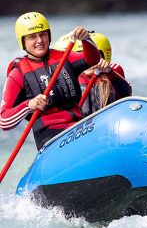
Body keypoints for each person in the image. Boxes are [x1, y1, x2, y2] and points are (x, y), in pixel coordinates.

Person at [0, 11, 106, 150]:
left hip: (79, 125)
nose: (40, 40)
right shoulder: (17, 74)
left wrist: (86, 39)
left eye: (43, 34)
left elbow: (93, 59)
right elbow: (4, 122)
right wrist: (29, 105)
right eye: (33, 37)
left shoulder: (64, 57)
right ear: (23, 42)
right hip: (50, 136)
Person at [54, 32, 132, 117]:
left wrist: (109, 72)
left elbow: (126, 94)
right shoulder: (73, 77)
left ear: (105, 56)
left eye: (95, 56)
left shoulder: (114, 71)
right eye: (83, 56)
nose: (90, 62)